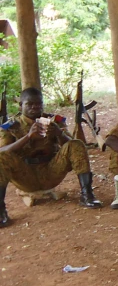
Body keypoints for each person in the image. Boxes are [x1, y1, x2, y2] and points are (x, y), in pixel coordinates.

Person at [0, 87, 102, 226]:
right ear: (21, 105)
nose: (35, 107)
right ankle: (1, 211)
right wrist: (28, 137)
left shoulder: (54, 121)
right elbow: (3, 150)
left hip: (51, 171)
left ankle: (87, 195)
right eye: (29, 104)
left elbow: (74, 146)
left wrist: (59, 133)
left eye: (38, 103)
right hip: (25, 175)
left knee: (76, 144)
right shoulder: (11, 126)